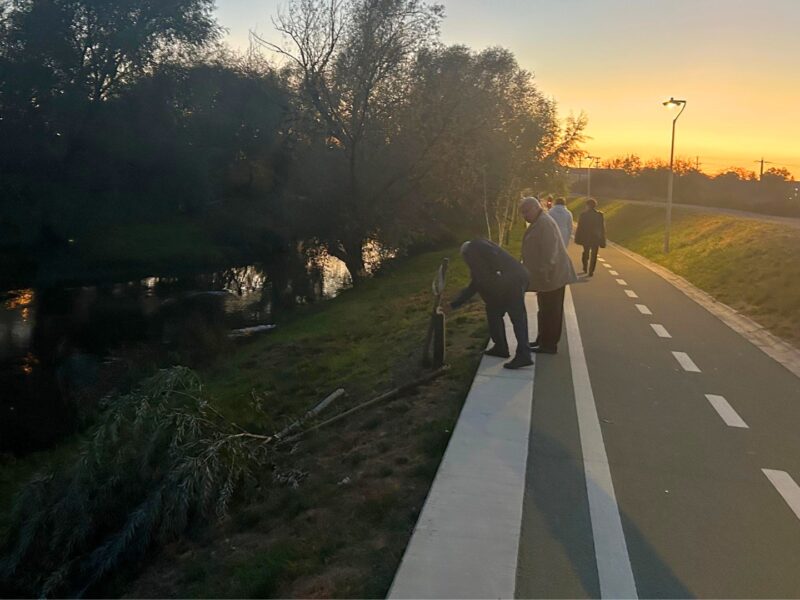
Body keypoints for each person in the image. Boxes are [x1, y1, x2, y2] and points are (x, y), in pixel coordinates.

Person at [449, 239, 533, 369]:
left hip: (511, 282)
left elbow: (481, 280)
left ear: (465, 255)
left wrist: (455, 303)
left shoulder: (472, 252)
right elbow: (477, 281)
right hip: (516, 277)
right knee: (494, 311)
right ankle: (500, 347)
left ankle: (524, 355)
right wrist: (455, 303)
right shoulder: (482, 246)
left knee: (517, 318)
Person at [519, 197, 578, 354]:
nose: (524, 216)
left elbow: (550, 251)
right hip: (545, 277)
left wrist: (544, 271)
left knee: (551, 310)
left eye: (525, 212)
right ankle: (542, 339)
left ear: (534, 208)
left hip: (552, 276)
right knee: (544, 309)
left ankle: (549, 344)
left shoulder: (544, 223)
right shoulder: (539, 221)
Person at [574, 198, 607, 276]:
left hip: (586, 237)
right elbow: (602, 228)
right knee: (594, 254)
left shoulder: (583, 215)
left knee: (586, 252)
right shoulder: (599, 215)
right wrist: (603, 239)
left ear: (588, 205)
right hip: (596, 237)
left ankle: (585, 266)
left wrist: (577, 238)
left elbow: (580, 227)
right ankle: (591, 270)